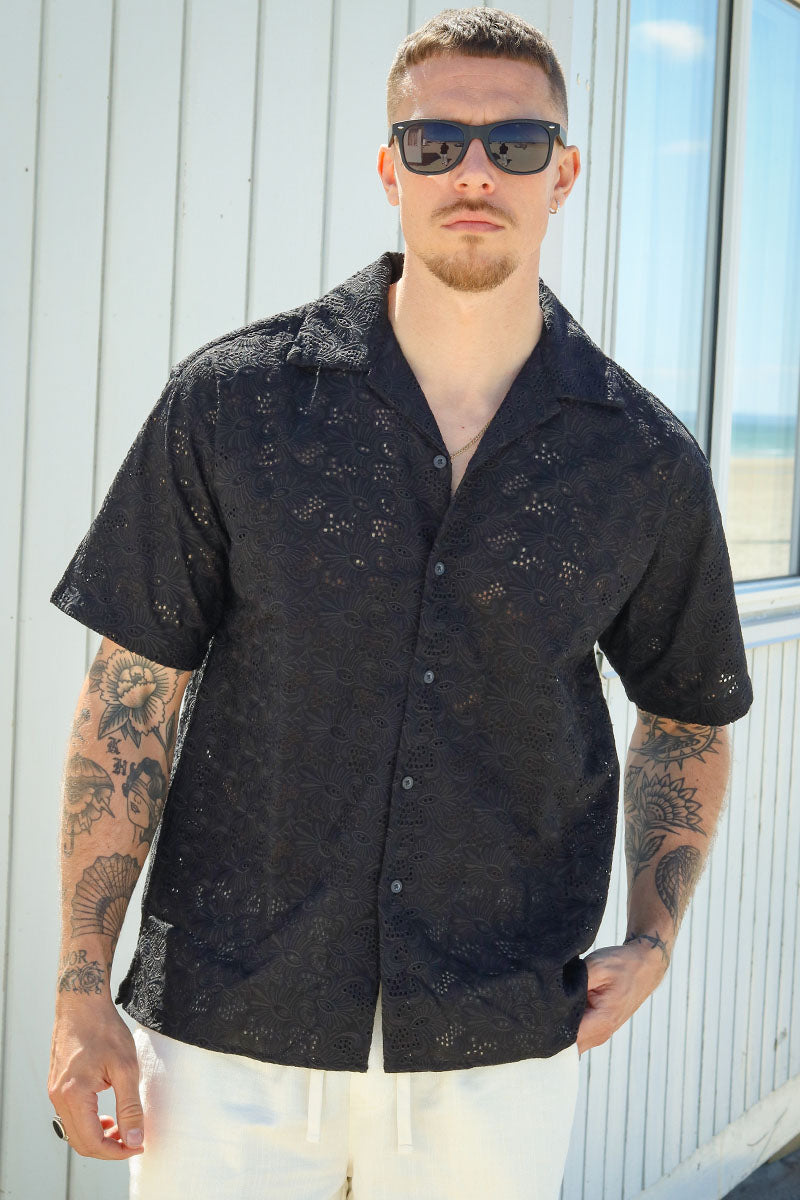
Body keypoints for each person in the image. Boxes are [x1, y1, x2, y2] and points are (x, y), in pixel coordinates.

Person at [46, 8, 753, 1199]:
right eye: (435, 142)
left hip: (494, 1048)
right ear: (390, 169)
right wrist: (79, 991)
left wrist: (653, 936)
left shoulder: (642, 460)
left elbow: (685, 710)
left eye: (514, 143)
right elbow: (129, 701)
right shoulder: (231, 405)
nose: (474, 171)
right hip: (224, 1039)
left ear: (562, 173)